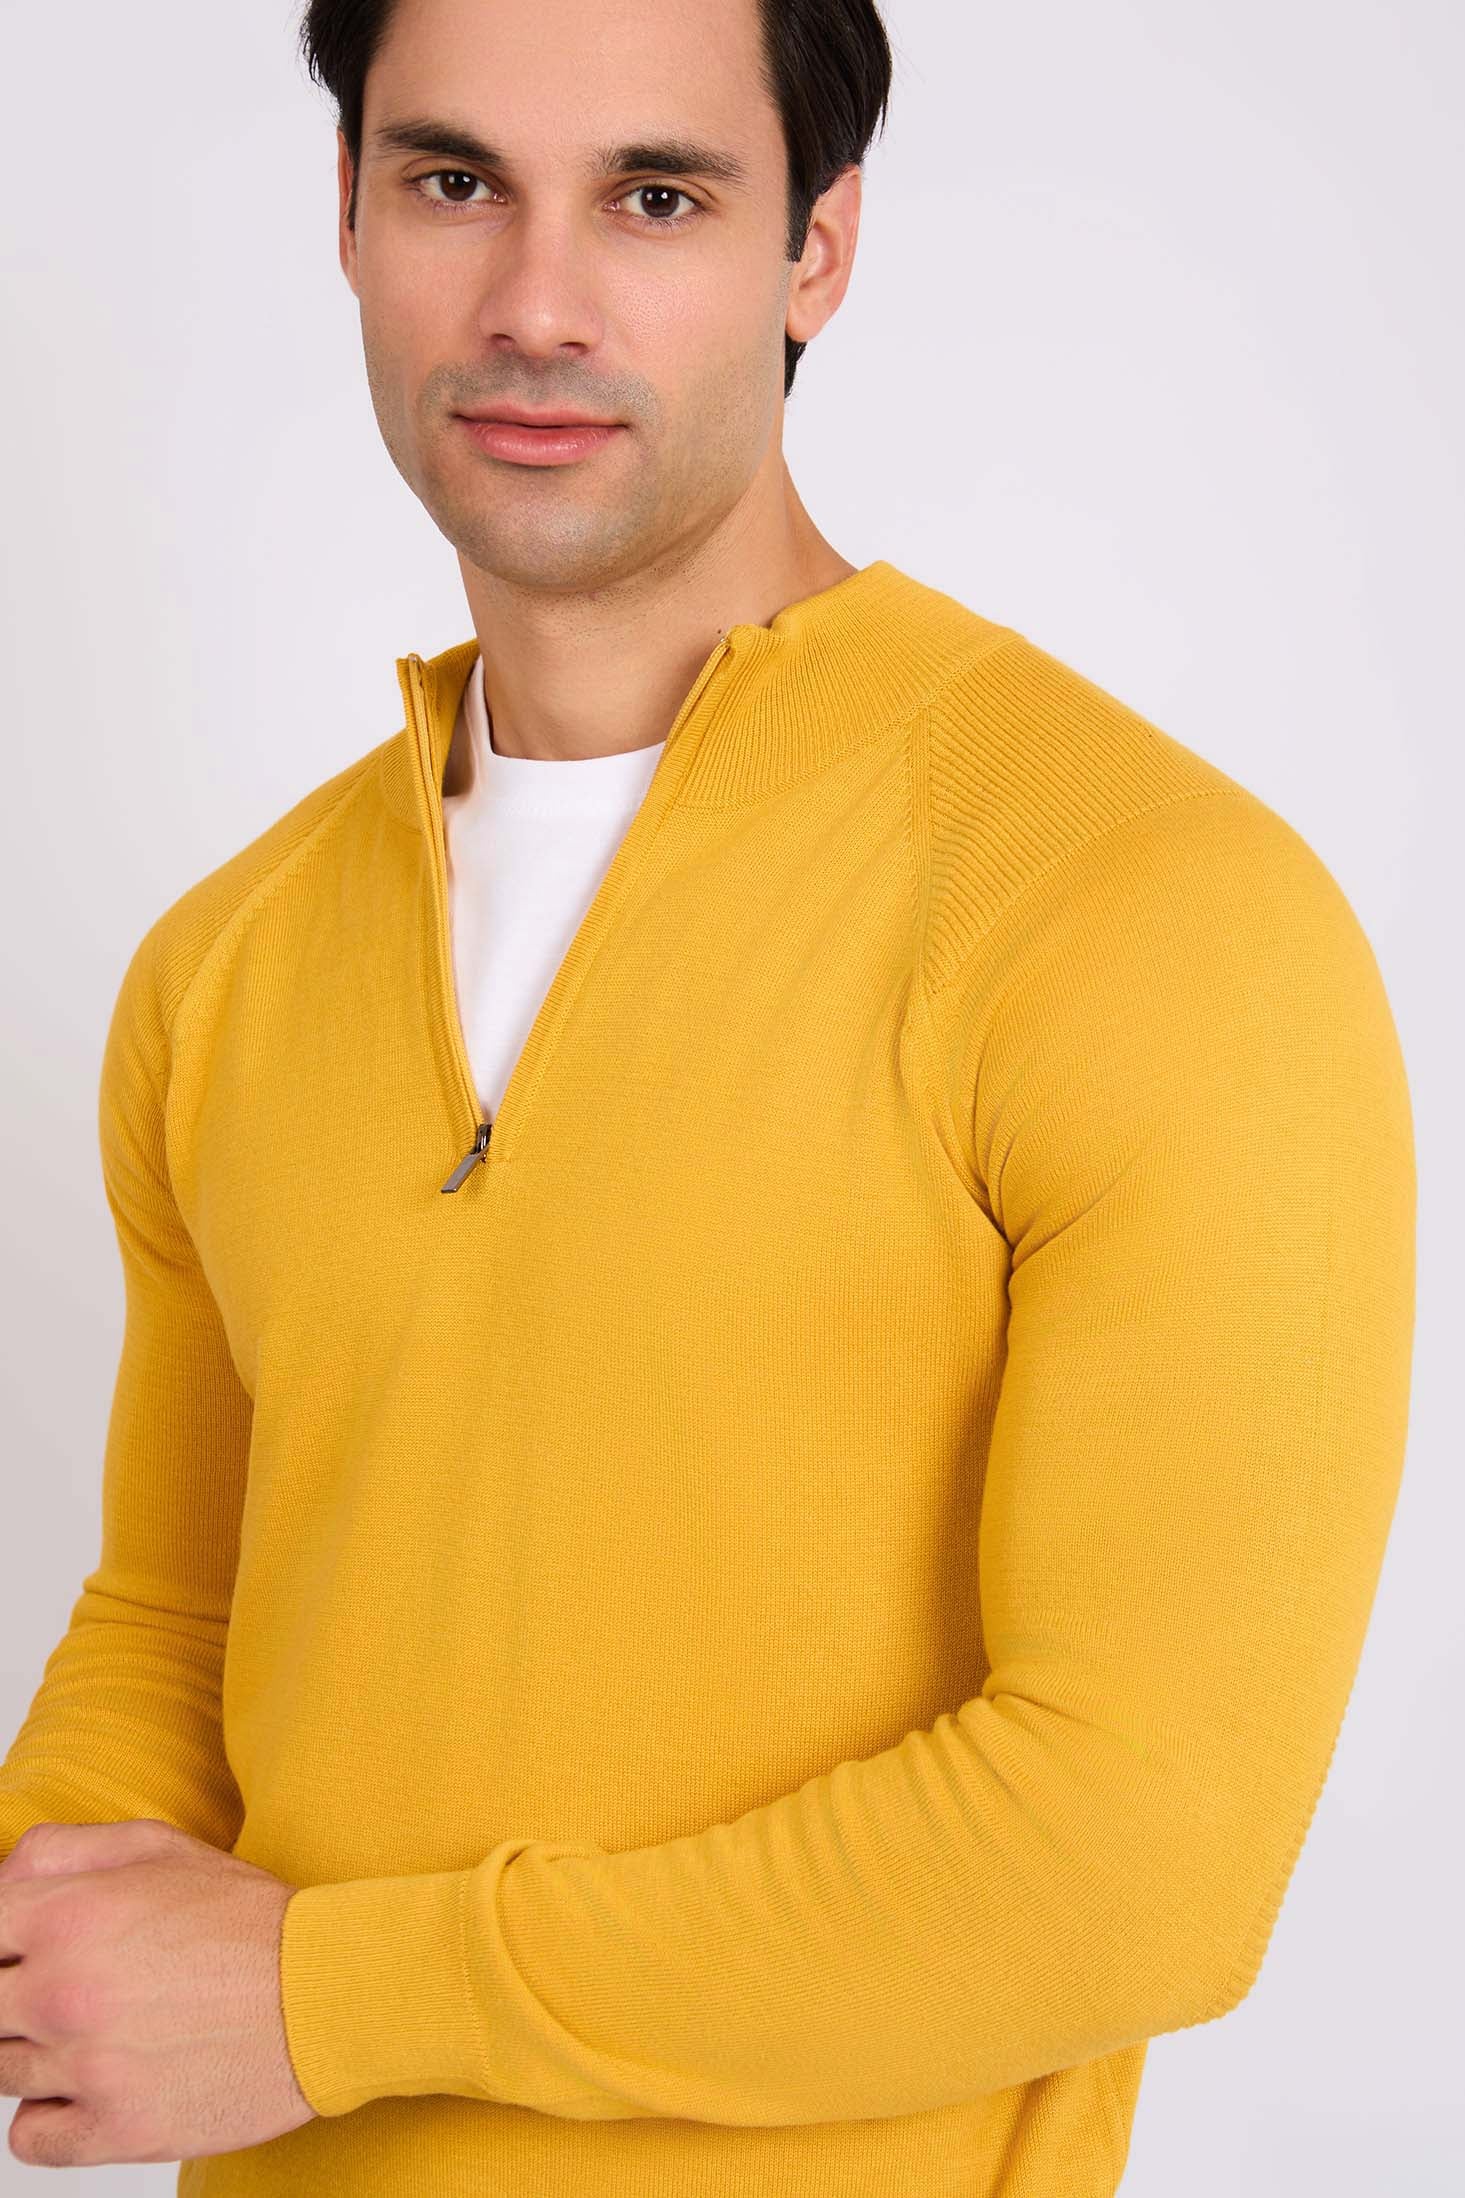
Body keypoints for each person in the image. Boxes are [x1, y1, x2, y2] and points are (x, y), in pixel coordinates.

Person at [0, 0, 1417, 2189]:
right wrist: (50, 1936)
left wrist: (321, 1999)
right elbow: (180, 1625)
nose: (534, 303)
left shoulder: (1145, 910)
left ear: (815, 246)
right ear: (349, 218)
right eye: (452, 182)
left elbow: (1138, 1852)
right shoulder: (224, 966)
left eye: (654, 198)